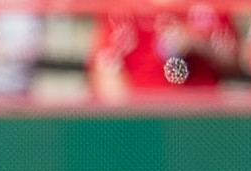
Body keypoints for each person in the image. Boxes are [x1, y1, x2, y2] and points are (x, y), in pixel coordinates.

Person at [91, 5, 239, 100]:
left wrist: (198, 42)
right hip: (147, 115)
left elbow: (232, 60)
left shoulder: (208, 6)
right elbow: (106, 70)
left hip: (198, 114)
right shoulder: (125, 9)